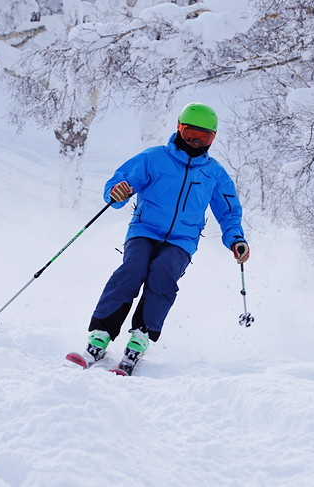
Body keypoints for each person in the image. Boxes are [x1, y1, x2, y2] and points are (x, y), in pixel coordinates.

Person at [70, 102, 250, 375]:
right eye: (190, 133)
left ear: (213, 138)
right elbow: (117, 185)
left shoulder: (214, 173)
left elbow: (229, 212)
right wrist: (116, 193)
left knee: (163, 273)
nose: (196, 141)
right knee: (132, 270)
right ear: (179, 128)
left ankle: (141, 336)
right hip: (144, 230)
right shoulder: (154, 159)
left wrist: (236, 239)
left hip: (182, 240)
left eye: (205, 136)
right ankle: (100, 335)